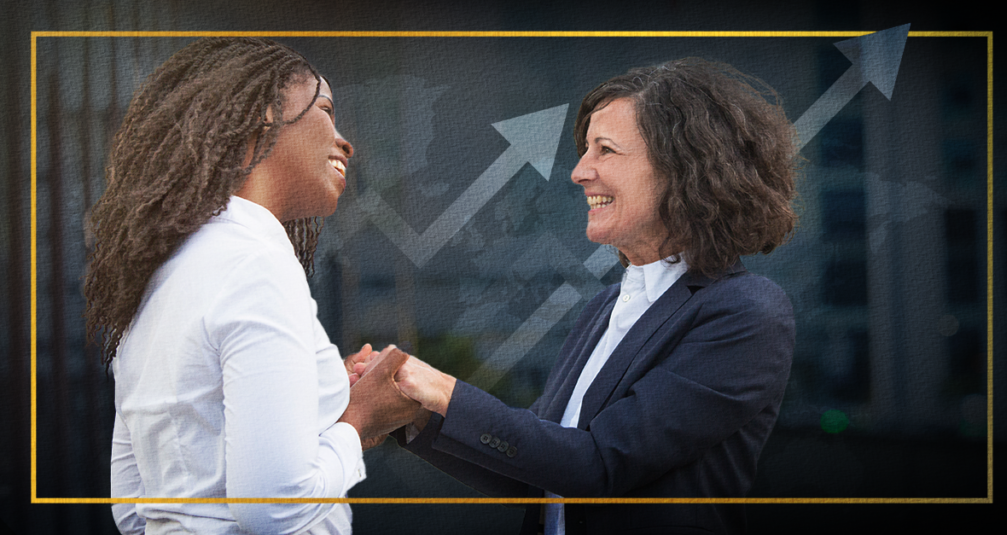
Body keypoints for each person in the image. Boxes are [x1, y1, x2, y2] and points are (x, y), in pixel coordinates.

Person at [353, 58, 798, 534]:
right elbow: (540, 475)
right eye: (586, 150)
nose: (579, 171)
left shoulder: (746, 312)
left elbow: (598, 466)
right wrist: (414, 411)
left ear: (683, 169)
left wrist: (444, 390)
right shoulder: (604, 309)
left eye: (604, 150)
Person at [84, 37, 419, 535]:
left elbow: (134, 509)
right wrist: (361, 421)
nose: (346, 142)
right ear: (261, 117)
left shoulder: (158, 275)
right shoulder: (256, 264)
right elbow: (273, 508)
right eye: (325, 109)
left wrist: (311, 394)